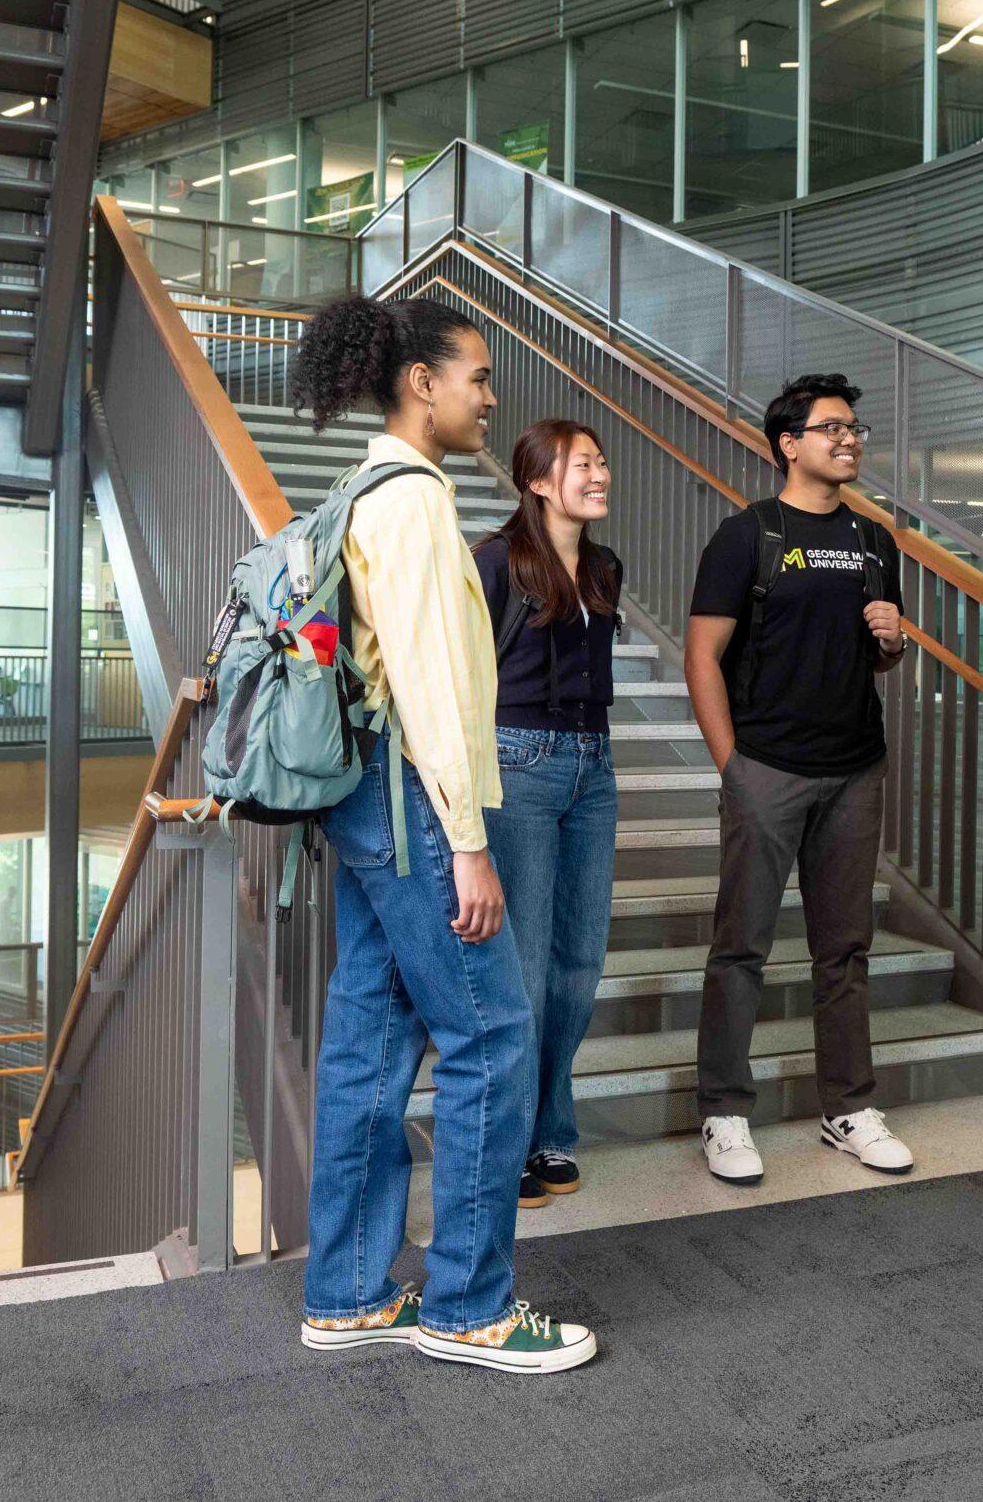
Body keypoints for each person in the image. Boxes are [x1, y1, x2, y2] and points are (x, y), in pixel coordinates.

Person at [289, 295, 598, 1377]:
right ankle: (468, 1306)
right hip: (415, 800)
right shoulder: (415, 500)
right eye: (477, 376)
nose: (489, 397)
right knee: (493, 1036)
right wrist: (467, 839)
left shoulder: (362, 486)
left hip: (366, 799)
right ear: (422, 383)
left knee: (368, 1045)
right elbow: (429, 682)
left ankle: (348, 1293)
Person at [684, 372, 911, 1186]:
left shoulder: (875, 540)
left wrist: (893, 639)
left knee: (844, 949)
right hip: (768, 768)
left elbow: (874, 655)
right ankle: (723, 1110)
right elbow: (703, 655)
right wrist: (733, 768)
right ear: (788, 444)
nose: (849, 440)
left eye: (854, 429)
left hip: (854, 769)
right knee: (741, 946)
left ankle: (847, 1106)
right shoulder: (747, 535)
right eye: (831, 428)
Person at [475, 420, 622, 1212]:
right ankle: (509, 1140)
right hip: (519, 764)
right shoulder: (497, 562)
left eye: (600, 461)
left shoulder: (603, 567)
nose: (599, 474)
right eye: (581, 464)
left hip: (593, 766)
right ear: (537, 480)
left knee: (579, 963)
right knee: (525, 970)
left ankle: (550, 1127)